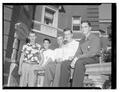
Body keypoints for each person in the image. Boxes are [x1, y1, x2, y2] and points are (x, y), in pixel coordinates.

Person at [59, 21, 101, 87]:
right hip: (83, 58)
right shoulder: (82, 40)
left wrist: (77, 58)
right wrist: (73, 58)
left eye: (85, 27)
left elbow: (92, 53)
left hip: (93, 58)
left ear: (90, 28)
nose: (83, 29)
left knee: (79, 62)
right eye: (82, 27)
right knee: (65, 63)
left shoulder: (95, 38)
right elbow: (78, 52)